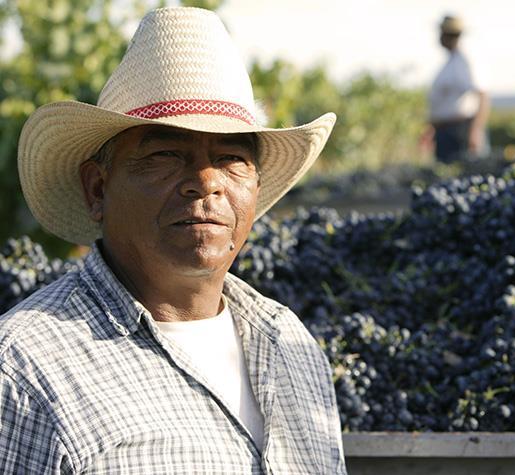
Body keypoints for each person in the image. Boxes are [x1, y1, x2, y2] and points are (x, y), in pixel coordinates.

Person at [0, 7, 346, 474]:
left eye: (230, 158)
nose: (206, 183)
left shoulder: (290, 348)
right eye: (165, 154)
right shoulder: (25, 368)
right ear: (97, 189)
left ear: (256, 187)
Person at [427, 15, 490, 163]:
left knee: (461, 173)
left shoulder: (465, 61)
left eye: (441, 33)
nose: (439, 37)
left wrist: (475, 131)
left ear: (448, 35)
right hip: (447, 133)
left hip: (459, 133)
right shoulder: (451, 62)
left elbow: (482, 96)